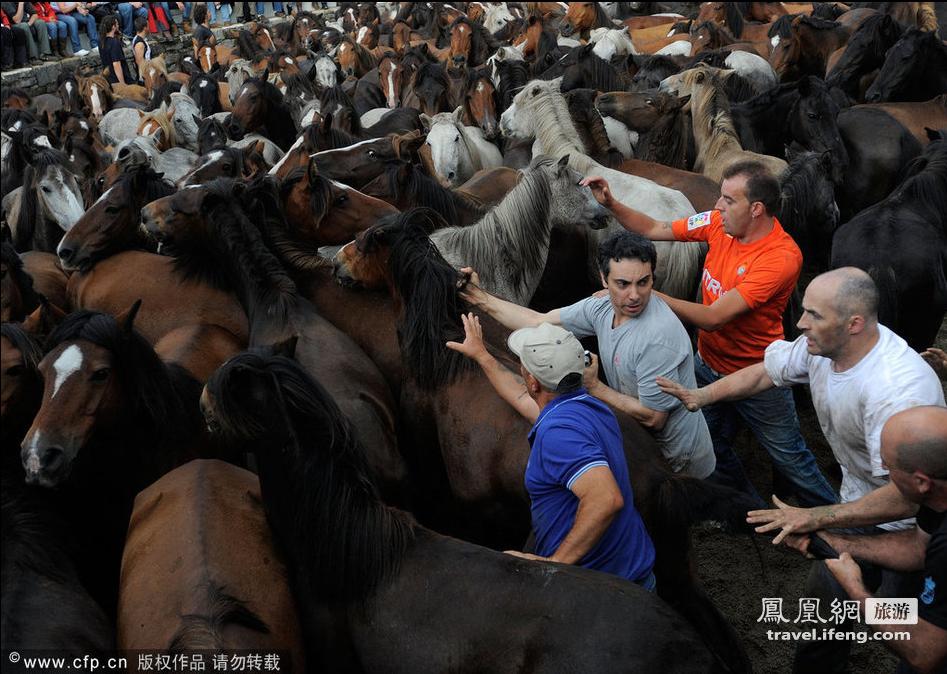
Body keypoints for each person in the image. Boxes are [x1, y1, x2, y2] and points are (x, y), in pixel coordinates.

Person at [659, 267, 946, 674]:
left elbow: (906, 497)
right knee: (824, 618)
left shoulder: (895, 392)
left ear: (854, 324)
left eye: (814, 315)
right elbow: (765, 372)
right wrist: (701, 396)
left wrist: (816, 517)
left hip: (910, 531)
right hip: (855, 507)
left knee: (908, 637)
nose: (800, 322)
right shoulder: (822, 349)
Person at [582, 161, 837, 508]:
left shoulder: (780, 258)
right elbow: (656, 227)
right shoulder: (719, 224)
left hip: (756, 375)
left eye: (729, 200)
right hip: (707, 364)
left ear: (756, 209)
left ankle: (844, 527)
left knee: (792, 460)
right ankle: (748, 508)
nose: (717, 206)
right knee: (712, 444)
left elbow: (715, 317)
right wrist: (611, 203)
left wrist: (645, 294)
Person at [459, 230, 716, 480]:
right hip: (643, 451)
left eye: (643, 282)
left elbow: (654, 418)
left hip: (678, 464)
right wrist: (478, 297)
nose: (635, 295)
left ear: (652, 278)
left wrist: (595, 386)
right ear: (603, 279)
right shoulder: (603, 306)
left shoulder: (659, 338)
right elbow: (538, 320)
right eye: (622, 284)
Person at [446, 318, 657, 588]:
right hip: (632, 574)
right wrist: (482, 356)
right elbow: (523, 398)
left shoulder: (559, 434)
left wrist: (554, 564)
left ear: (533, 382)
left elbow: (606, 499)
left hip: (602, 592)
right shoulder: (588, 407)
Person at [760, 407, 947, 674]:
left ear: (921, 482)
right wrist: (836, 543)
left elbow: (924, 652)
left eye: (888, 465)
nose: (882, 468)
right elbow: (918, 549)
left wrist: (856, 589)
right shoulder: (937, 494)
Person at [98, 12, 131, 85]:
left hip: (108, 79)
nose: (118, 25)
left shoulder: (101, 41)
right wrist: (122, 84)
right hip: (117, 81)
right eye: (117, 24)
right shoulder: (114, 42)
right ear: (113, 27)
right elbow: (116, 64)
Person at [130, 13, 147, 82]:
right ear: (145, 28)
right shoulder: (139, 43)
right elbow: (139, 62)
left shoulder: (138, 39)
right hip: (145, 77)